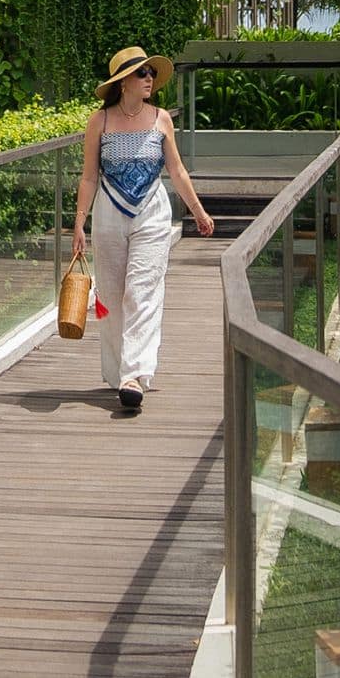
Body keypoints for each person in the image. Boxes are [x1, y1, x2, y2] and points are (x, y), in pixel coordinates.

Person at [71, 45, 214, 416]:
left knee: (142, 291)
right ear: (123, 83)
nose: (149, 78)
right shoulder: (98, 122)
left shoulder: (161, 119)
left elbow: (178, 171)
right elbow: (88, 176)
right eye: (141, 74)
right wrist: (79, 221)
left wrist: (198, 211)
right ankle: (119, 370)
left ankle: (134, 375)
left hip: (151, 214)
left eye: (150, 73)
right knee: (112, 295)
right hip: (108, 216)